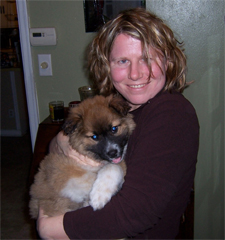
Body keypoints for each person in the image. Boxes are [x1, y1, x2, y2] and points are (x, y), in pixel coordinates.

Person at [37, 7, 199, 239]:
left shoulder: (172, 115)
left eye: (147, 58)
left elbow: (133, 213)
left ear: (168, 60)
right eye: (123, 61)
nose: (135, 73)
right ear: (107, 65)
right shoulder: (117, 106)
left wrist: (48, 228)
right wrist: (62, 141)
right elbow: (58, 147)